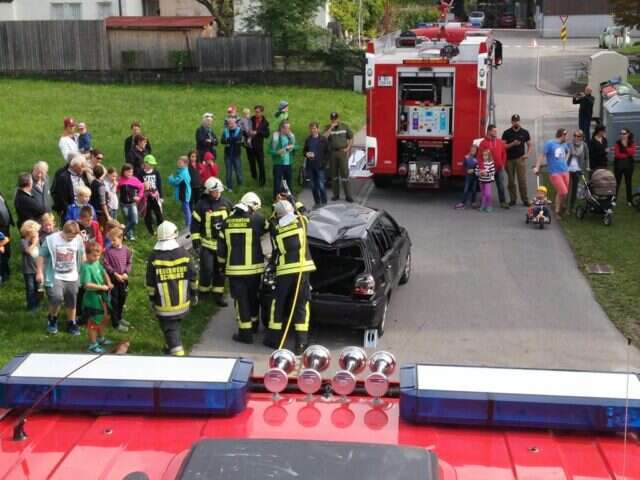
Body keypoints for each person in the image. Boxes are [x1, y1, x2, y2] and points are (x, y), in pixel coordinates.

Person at [217, 192, 269, 344]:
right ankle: (254, 325)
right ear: (252, 207)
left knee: (241, 301)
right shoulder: (258, 220)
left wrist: (221, 265)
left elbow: (220, 249)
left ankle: (245, 333)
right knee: (253, 297)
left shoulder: (227, 222)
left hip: (235, 270)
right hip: (255, 269)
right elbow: (270, 229)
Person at [264, 199, 315, 354]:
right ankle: (301, 344)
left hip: (284, 270)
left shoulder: (275, 227)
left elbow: (271, 219)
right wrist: (293, 200)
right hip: (302, 269)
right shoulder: (302, 221)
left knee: (277, 304)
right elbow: (303, 208)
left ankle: (274, 340)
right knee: (301, 305)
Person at [146, 221, 198, 356]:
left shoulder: (154, 256)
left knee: (169, 329)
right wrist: (194, 294)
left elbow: (151, 282)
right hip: (182, 302)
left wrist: (151, 299)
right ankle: (170, 346)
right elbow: (193, 276)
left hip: (164, 306)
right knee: (174, 327)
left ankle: (177, 354)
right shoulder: (184, 254)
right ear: (174, 235)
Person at [36, 220, 85, 336]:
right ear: (63, 231)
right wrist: (39, 272)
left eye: (73, 237)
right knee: (56, 298)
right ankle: (52, 319)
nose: (71, 240)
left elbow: (82, 254)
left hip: (73, 275)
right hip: (55, 275)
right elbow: (41, 256)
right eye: (69, 237)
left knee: (72, 299)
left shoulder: (78, 239)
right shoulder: (51, 240)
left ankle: (71, 323)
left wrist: (85, 268)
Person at [191, 177, 233, 306]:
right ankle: (203, 293)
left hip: (222, 245)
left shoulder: (227, 203)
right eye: (215, 191)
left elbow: (233, 222)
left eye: (219, 191)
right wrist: (196, 242)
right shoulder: (201, 205)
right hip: (207, 244)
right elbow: (195, 225)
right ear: (209, 191)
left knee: (220, 271)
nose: (218, 193)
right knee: (206, 270)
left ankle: (218, 295)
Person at [80, 241, 113, 353]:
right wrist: (101, 287)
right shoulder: (86, 267)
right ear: (87, 254)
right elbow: (87, 285)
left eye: (99, 255)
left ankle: (101, 338)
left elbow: (104, 272)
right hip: (92, 298)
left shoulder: (97, 263)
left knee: (105, 317)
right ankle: (93, 344)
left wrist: (108, 282)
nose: (97, 258)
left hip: (102, 295)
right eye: (94, 255)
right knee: (94, 321)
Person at [534, 128, 571, 219]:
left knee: (562, 192)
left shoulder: (564, 144)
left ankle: (559, 209)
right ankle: (558, 210)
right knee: (563, 191)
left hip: (565, 171)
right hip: (555, 173)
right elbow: (542, 155)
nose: (567, 137)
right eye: (566, 135)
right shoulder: (550, 144)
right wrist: (537, 167)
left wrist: (565, 161)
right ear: (562, 135)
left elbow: (568, 151)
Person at [103, 227, 132, 333]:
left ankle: (119, 317)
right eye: (110, 240)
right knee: (114, 301)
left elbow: (129, 262)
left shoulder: (126, 250)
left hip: (123, 280)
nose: (112, 242)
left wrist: (126, 273)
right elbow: (106, 264)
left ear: (121, 238)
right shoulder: (108, 251)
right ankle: (115, 323)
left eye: (114, 240)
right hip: (113, 280)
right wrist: (115, 274)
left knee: (122, 299)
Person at [501, 114, 532, 206]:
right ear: (511, 122)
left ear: (519, 121)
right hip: (509, 160)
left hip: (520, 158)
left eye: (517, 121)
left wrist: (528, 154)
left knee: (522, 180)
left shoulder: (525, 132)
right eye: (514, 121)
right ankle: (513, 199)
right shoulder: (506, 133)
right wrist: (512, 144)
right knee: (511, 181)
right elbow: (503, 146)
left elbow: (530, 145)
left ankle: (525, 200)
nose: (516, 122)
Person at [50, 155, 91, 224]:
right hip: (70, 211)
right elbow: (59, 196)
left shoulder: (83, 175)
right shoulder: (63, 178)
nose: (84, 169)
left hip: (84, 210)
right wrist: (67, 209)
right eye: (82, 166)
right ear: (74, 166)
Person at [324, 112, 354, 203]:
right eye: (332, 119)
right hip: (332, 153)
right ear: (331, 119)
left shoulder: (344, 126)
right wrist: (331, 128)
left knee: (344, 173)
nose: (334, 120)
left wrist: (348, 148)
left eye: (335, 119)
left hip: (342, 152)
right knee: (334, 175)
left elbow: (351, 137)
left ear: (338, 118)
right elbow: (324, 137)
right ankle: (335, 194)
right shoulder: (328, 127)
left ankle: (348, 195)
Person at [478, 124, 508, 208]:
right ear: (489, 131)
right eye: (494, 131)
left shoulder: (499, 142)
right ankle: (484, 202)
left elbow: (504, 154)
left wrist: (503, 164)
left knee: (501, 185)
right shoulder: (483, 143)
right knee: (485, 186)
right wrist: (482, 168)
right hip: (487, 169)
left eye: (496, 131)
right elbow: (479, 157)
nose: (496, 132)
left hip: (499, 168)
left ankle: (503, 202)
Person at [303, 121, 330, 207]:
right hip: (310, 166)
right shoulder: (308, 139)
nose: (313, 130)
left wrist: (324, 163)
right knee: (313, 186)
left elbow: (327, 153)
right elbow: (304, 151)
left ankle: (324, 203)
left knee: (321, 185)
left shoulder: (323, 140)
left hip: (320, 166)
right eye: (311, 128)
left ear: (318, 129)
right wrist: (306, 154)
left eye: (314, 128)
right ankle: (317, 203)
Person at [138, 154, 164, 235]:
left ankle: (161, 229)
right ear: (145, 163)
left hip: (155, 195)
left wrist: (161, 196)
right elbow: (138, 185)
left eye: (153, 164)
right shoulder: (140, 173)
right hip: (146, 197)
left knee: (159, 213)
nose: (151, 165)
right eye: (150, 164)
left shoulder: (156, 172)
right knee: (147, 214)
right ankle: (151, 231)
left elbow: (159, 184)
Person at [117, 163, 144, 241]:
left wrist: (139, 196)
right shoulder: (120, 180)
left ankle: (123, 233)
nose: (130, 173)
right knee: (127, 220)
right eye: (128, 172)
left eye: (131, 172)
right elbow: (117, 189)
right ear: (123, 172)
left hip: (132, 204)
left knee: (135, 221)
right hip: (123, 204)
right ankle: (130, 235)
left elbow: (141, 187)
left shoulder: (134, 179)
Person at [270, 121, 296, 199]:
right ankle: (276, 199)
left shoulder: (290, 137)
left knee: (288, 182)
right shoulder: (276, 138)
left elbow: (297, 146)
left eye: (289, 128)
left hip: (288, 164)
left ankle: (289, 199)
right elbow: (269, 150)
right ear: (281, 128)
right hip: (278, 164)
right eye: (286, 128)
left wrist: (293, 147)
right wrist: (277, 152)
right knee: (277, 183)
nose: (288, 130)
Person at [20, 220, 41, 312]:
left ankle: (36, 304)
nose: (37, 233)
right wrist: (34, 243)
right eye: (35, 231)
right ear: (29, 232)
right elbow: (28, 251)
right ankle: (31, 307)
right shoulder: (23, 241)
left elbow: (40, 255)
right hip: (28, 270)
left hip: (37, 269)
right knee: (30, 289)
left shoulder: (36, 242)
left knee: (37, 288)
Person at [567, 130, 590, 212]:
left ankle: (571, 207)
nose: (576, 137)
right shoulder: (569, 145)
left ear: (582, 137)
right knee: (567, 189)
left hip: (578, 170)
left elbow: (587, 157)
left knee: (574, 189)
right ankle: (565, 206)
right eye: (575, 135)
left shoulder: (584, 145)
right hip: (568, 169)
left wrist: (587, 167)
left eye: (578, 136)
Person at [613, 128, 636, 206]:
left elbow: (632, 152)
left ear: (628, 134)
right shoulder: (617, 143)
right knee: (616, 183)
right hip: (618, 166)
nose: (622, 135)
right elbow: (617, 154)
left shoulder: (631, 143)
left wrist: (625, 147)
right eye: (621, 133)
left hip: (629, 166)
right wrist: (626, 155)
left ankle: (629, 200)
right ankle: (614, 200)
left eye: (624, 133)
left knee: (628, 183)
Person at [248, 105, 270, 186]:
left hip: (259, 146)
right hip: (250, 145)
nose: (256, 113)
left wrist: (258, 132)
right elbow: (245, 128)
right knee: (252, 163)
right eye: (255, 112)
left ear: (262, 112)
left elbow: (267, 134)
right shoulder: (251, 119)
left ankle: (262, 181)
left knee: (261, 164)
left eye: (258, 112)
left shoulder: (265, 122)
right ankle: (254, 178)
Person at [168, 156, 192, 228]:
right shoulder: (183, 171)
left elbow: (176, 182)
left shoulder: (183, 173)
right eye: (178, 162)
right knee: (185, 208)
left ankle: (189, 224)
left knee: (186, 208)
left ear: (185, 164)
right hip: (184, 193)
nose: (178, 163)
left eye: (180, 162)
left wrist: (171, 178)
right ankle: (188, 222)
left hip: (184, 193)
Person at [221, 117, 244, 192]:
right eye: (229, 123)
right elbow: (222, 141)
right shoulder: (225, 131)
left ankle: (240, 185)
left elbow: (239, 138)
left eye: (232, 123)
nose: (230, 125)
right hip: (227, 155)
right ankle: (229, 187)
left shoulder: (239, 130)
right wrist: (233, 139)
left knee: (238, 171)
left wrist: (228, 140)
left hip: (236, 155)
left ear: (235, 123)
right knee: (228, 172)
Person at [455, 144, 478, 209]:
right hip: (468, 177)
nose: (473, 151)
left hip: (475, 176)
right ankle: (462, 203)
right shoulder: (466, 157)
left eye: (474, 150)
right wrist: (466, 170)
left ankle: (473, 202)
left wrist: (474, 170)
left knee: (474, 190)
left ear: (476, 151)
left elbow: (479, 167)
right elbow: (464, 166)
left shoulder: (477, 158)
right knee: (466, 189)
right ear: (470, 150)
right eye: (472, 149)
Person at [0, 191, 13, 284]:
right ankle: (3, 275)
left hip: (5, 227)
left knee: (7, 251)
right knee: (2, 252)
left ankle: (6, 272)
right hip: (0, 228)